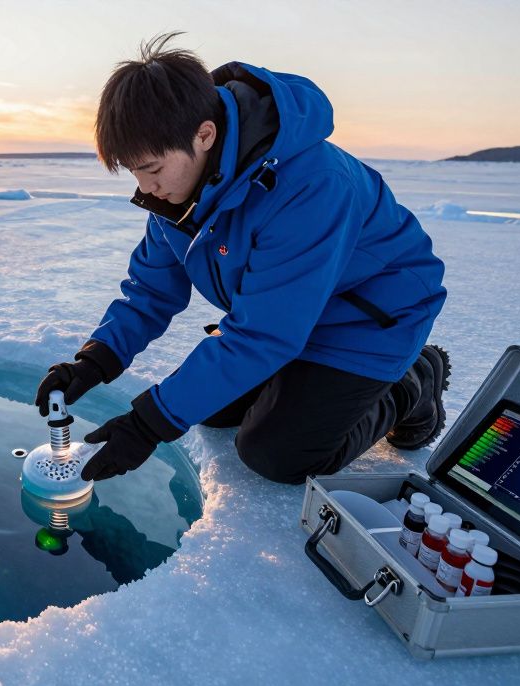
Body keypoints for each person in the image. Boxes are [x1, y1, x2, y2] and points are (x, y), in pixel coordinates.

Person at [34, 33, 449, 485]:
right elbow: (150, 291)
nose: (145, 187)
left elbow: (262, 335)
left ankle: (414, 382)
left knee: (276, 455)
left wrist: (148, 424)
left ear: (204, 135)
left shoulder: (312, 185)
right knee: (212, 412)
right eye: (135, 172)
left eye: (152, 169)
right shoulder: (179, 192)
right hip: (286, 315)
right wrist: (95, 360)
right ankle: (296, 384)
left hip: (368, 319)